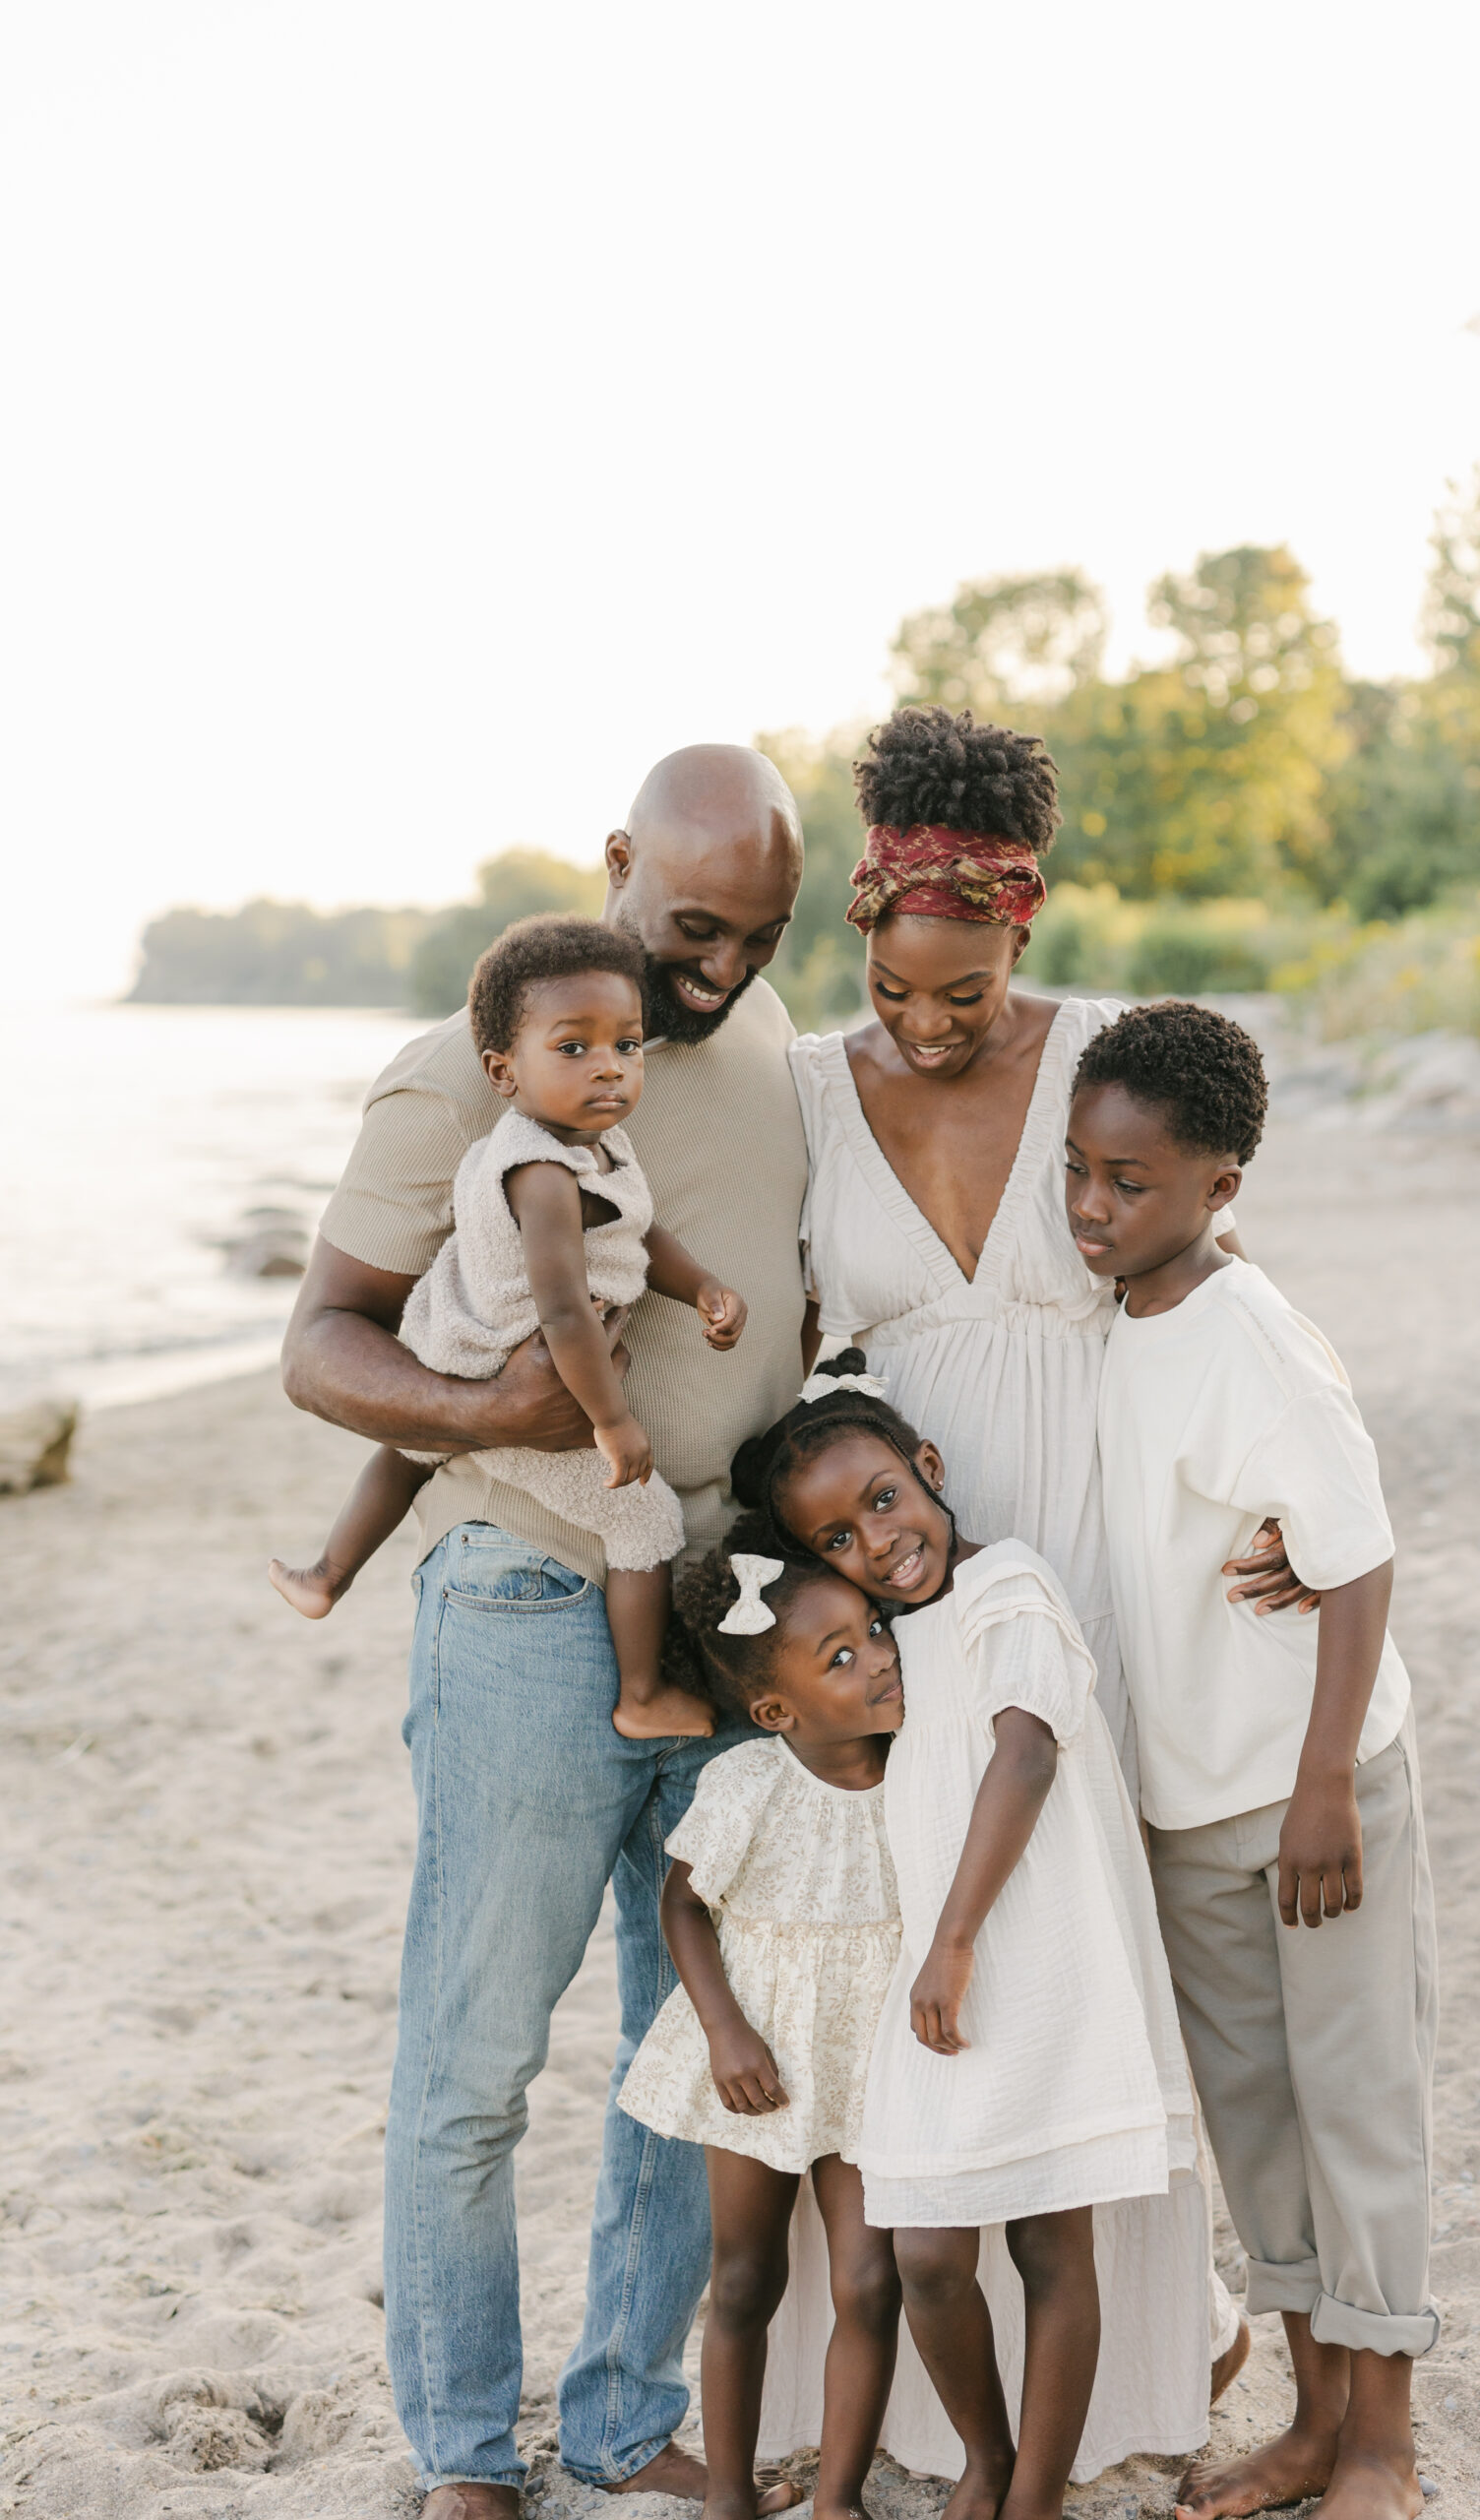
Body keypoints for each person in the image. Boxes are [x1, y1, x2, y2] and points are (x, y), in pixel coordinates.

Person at [279, 747, 813, 2520]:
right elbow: (322, 1343)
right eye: (694, 928)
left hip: (726, 1607)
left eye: (758, 936)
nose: (722, 969)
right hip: (519, 1600)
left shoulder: (749, 1033)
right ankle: (456, 2448)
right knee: (479, 2053)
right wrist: (501, 1414)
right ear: (615, 866)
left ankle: (619, 2417)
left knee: (690, 2040)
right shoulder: (464, 1068)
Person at [789, 701, 1309, 2405]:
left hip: (1097, 1545)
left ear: (1025, 928)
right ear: (857, 932)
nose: (928, 1027)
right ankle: (949, 2372)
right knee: (927, 1910)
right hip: (908, 1564)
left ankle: (1162, 2346)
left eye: (969, 988)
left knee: (1103, 1930)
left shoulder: (1106, 1055)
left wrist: (1292, 1499)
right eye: (893, 990)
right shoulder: (808, 1089)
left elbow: (1230, 1277)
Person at [1065, 1003, 1436, 2520]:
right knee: (1254, 2122)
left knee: (1356, 2103)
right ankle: (1305, 2415)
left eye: (1129, 1182)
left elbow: (1355, 1564)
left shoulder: (1254, 1338)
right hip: (1183, 1802)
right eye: (1080, 1172)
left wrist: (1327, 1783)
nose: (1092, 1206)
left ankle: (1382, 2445)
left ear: (1219, 1184)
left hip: (1311, 1795)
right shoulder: (1115, 1314)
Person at [731, 1359, 1207, 2513]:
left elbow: (1026, 1751)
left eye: (884, 1498)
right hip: (934, 1981)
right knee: (929, 2252)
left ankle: (1029, 2493)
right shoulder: (887, 1646)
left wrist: (952, 1940)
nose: (878, 1540)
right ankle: (986, 2455)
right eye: (839, 1536)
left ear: (929, 1472)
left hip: (1031, 1957)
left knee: (1052, 2247)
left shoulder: (1007, 1584)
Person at [271, 914, 748, 1739]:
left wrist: (700, 1286)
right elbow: (564, 1312)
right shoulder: (541, 1172)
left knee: (410, 1450)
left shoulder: (597, 1145)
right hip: (513, 1372)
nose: (608, 1068)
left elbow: (637, 1232)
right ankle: (641, 1697)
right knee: (646, 1521)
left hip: (451, 1341)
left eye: (626, 1047)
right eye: (573, 1048)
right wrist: (613, 1422)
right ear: (502, 1071)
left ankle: (326, 1575)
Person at [616, 1527, 907, 2520]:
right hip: (760, 2059)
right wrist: (726, 2032)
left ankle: (837, 2496)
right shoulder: (746, 1785)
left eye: (873, 1632)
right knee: (744, 2277)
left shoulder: (922, 1775)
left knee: (870, 2280)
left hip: (872, 2062)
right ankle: (729, 2496)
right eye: (840, 1656)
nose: (876, 1657)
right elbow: (680, 1905)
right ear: (775, 1708)